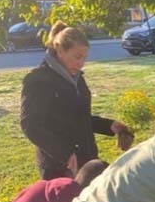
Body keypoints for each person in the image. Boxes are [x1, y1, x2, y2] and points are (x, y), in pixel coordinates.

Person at [20, 20, 133, 180]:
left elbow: (79, 117)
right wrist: (64, 154)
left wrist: (109, 126)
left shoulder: (77, 78)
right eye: (77, 57)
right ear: (59, 49)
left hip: (86, 159)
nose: (81, 64)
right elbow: (30, 125)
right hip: (59, 167)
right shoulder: (38, 80)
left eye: (84, 59)